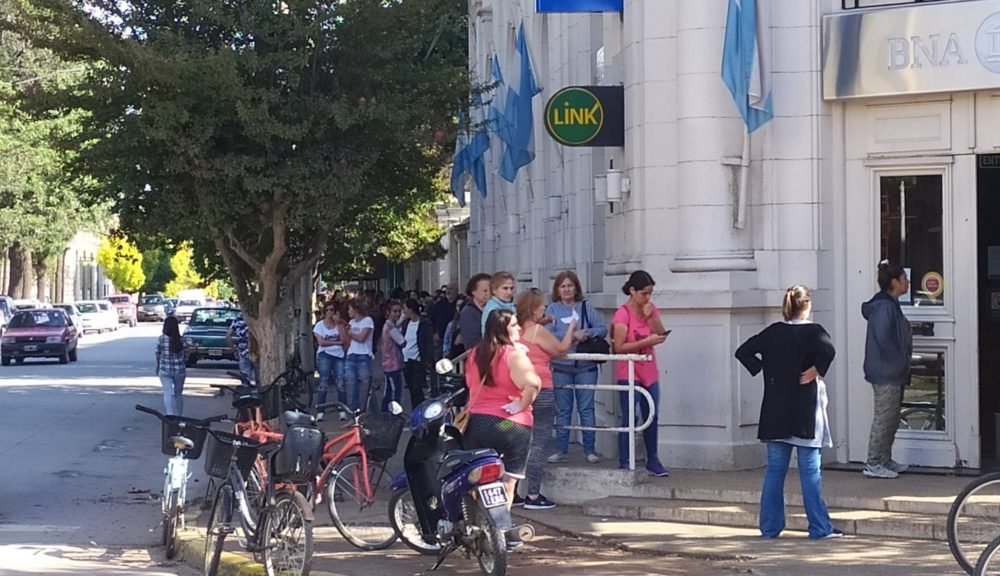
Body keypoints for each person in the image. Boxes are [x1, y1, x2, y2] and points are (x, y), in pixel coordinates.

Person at [735, 286, 843, 540]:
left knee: (775, 471)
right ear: (807, 305)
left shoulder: (773, 332)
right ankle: (819, 527)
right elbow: (829, 351)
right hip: (805, 408)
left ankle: (770, 527)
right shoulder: (814, 332)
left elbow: (743, 351)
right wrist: (816, 369)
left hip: (776, 409)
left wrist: (766, 367)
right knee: (810, 472)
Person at [463, 308, 542, 514]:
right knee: (509, 480)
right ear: (503, 330)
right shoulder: (514, 355)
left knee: (476, 476)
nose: (519, 328)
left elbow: (470, 385)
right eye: (514, 325)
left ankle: (476, 517)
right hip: (508, 424)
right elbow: (533, 384)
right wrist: (521, 405)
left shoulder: (474, 354)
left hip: (478, 424)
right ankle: (501, 522)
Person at [515, 289, 576, 510]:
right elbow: (561, 349)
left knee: (520, 442)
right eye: (542, 305)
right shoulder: (537, 331)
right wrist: (571, 328)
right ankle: (533, 494)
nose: (545, 308)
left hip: (519, 389)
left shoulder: (516, 330)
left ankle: (513, 492)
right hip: (541, 388)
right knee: (540, 442)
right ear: (534, 309)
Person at [545, 270, 608, 464]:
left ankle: (589, 450)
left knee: (586, 409)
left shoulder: (586, 306)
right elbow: (547, 334)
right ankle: (561, 449)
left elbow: (602, 328)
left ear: (576, 288)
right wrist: (571, 335)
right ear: (557, 289)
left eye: (569, 286)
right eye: (562, 286)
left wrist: (586, 333)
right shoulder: (552, 309)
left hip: (586, 367)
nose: (566, 289)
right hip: (561, 367)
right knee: (563, 410)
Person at [611, 270, 670, 477]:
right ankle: (625, 460)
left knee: (652, 414)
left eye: (650, 293)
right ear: (632, 291)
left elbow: (660, 334)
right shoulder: (622, 314)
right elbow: (619, 347)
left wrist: (651, 316)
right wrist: (646, 342)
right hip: (628, 371)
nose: (647, 297)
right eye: (644, 293)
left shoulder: (650, 309)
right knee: (630, 416)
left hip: (649, 369)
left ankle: (652, 459)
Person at [862, 260, 913, 479]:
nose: (907, 282)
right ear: (894, 282)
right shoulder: (884, 307)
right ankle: (873, 463)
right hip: (886, 371)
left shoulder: (890, 304)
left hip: (892, 370)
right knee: (884, 419)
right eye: (904, 279)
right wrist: (898, 360)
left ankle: (884, 459)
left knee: (891, 418)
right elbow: (884, 338)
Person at [314, 302, 347, 421]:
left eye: (332, 310)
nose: (329, 312)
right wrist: (336, 342)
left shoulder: (339, 325)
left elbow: (344, 339)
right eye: (327, 310)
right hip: (325, 355)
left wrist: (339, 324)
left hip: (339, 355)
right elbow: (321, 342)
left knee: (340, 382)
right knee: (324, 382)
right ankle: (320, 411)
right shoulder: (319, 326)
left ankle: (342, 410)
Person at [400, 298, 436, 410]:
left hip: (417, 361)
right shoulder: (405, 323)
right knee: (411, 388)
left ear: (411, 309)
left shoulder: (425, 323)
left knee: (417, 389)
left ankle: (420, 409)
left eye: (405, 308)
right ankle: (415, 410)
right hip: (406, 360)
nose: (403, 311)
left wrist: (428, 360)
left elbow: (428, 342)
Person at [345, 299, 376, 413]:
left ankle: (368, 411)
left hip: (364, 356)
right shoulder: (351, 322)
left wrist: (351, 333)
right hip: (351, 355)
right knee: (351, 385)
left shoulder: (368, 321)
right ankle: (353, 412)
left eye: (350, 309)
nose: (348, 311)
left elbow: (362, 338)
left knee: (365, 386)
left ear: (356, 310)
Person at [156, 316, 187, 416]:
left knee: (167, 393)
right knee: (178, 394)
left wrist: (157, 367)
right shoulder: (182, 340)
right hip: (179, 370)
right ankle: (180, 416)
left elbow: (158, 354)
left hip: (165, 369)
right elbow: (186, 355)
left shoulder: (161, 339)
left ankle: (170, 415)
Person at [380, 300, 406, 412]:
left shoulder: (388, 325)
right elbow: (402, 342)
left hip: (387, 362)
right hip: (393, 363)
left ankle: (385, 412)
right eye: (394, 311)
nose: (397, 314)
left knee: (389, 389)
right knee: (395, 390)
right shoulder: (391, 327)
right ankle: (393, 413)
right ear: (388, 312)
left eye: (399, 311)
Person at [460, 273, 492, 350]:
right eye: (485, 291)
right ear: (473, 291)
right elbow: (472, 343)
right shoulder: (468, 312)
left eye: (491, 290)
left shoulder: (494, 308)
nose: (488, 294)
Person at [227, 312, 256, 385]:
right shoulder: (256, 319)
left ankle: (245, 388)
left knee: (245, 374)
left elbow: (228, 335)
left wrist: (233, 348)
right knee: (258, 374)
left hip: (243, 350)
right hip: (257, 350)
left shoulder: (237, 320)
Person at [441, 295, 467, 359]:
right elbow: (446, 341)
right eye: (458, 306)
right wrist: (445, 353)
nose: (460, 308)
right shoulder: (451, 324)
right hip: (453, 354)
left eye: (462, 305)